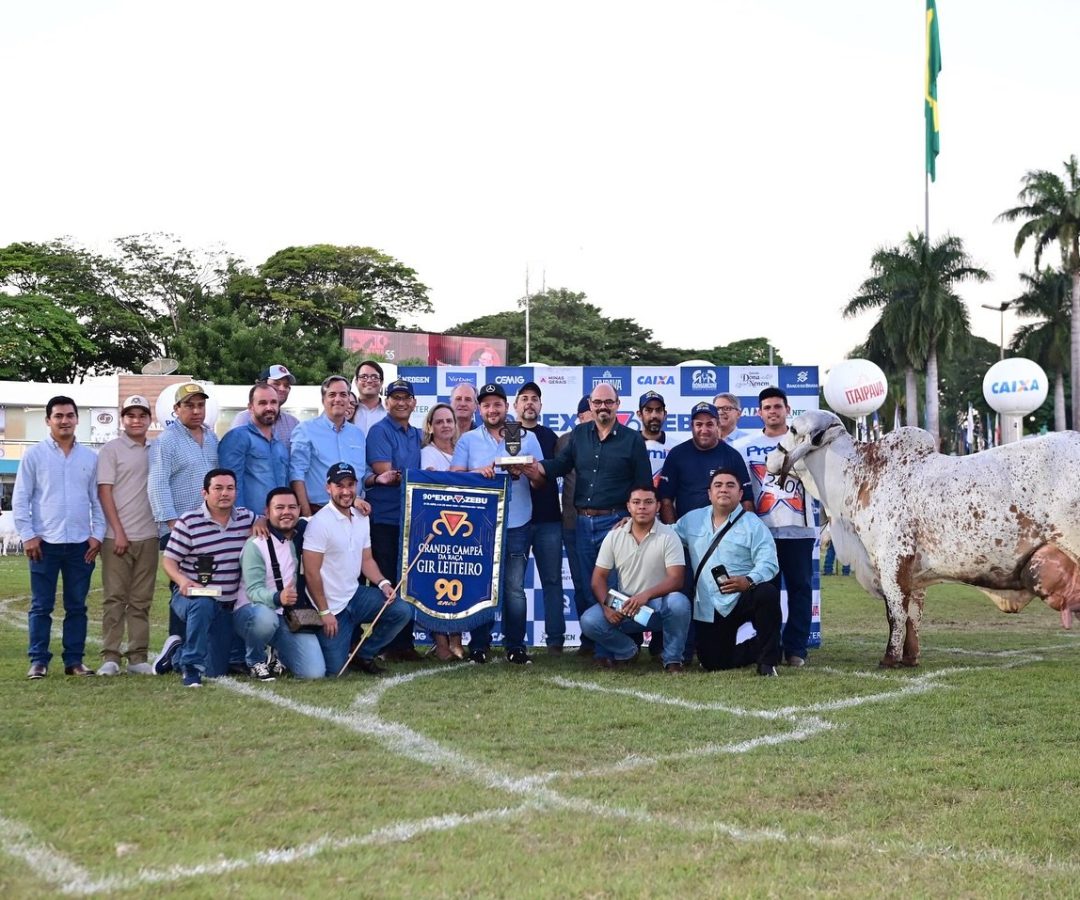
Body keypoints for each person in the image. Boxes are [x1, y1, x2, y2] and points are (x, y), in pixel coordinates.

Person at [539, 383, 652, 654]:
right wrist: (534, 466)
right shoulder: (579, 435)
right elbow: (560, 466)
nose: (603, 407)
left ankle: (618, 649)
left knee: (614, 588)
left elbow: (644, 485)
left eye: (608, 402)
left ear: (617, 404)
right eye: (598, 402)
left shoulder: (632, 439)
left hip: (616, 522)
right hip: (582, 523)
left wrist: (631, 518)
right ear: (590, 405)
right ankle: (603, 647)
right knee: (590, 587)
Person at [451, 382, 545, 665]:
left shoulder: (526, 437)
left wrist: (527, 471)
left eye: (497, 404)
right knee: (481, 586)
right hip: (479, 525)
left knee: (514, 588)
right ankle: (479, 645)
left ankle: (515, 646)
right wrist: (477, 473)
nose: (492, 409)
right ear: (479, 409)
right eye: (486, 405)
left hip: (517, 522)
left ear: (507, 407)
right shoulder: (468, 440)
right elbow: (455, 478)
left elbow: (541, 481)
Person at [14, 396, 105, 678]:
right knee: (41, 606)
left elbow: (97, 500)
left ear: (77, 419)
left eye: (69, 415)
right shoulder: (34, 455)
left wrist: (97, 535)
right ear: (48, 420)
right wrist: (28, 535)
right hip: (44, 544)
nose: (64, 421)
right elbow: (21, 498)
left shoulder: (90, 457)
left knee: (77, 606)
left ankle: (74, 661)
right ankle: (38, 661)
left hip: (81, 544)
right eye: (58, 416)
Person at [731, 387, 816, 668]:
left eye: (778, 406)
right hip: (761, 532)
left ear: (788, 410)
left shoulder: (806, 444)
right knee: (765, 592)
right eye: (767, 407)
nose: (773, 412)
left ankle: (796, 649)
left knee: (800, 588)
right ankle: (769, 647)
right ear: (759, 413)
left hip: (799, 528)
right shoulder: (744, 446)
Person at [303, 463, 412, 675]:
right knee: (335, 670)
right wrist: (324, 612)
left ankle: (364, 654)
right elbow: (311, 573)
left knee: (401, 610)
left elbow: (367, 560)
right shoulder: (319, 523)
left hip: (355, 595)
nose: (346, 491)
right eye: (339, 486)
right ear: (328, 488)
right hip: (330, 606)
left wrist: (383, 583)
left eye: (350, 485)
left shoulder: (362, 517)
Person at [672, 468, 781, 676]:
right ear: (709, 493)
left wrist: (748, 580)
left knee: (767, 592)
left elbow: (769, 563)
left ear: (740, 494)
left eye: (730, 485)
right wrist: (635, 524)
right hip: (710, 604)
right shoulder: (692, 520)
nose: (724, 489)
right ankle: (761, 646)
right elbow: (665, 535)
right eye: (718, 485)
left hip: (743, 596)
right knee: (713, 662)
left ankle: (767, 661)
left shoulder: (753, 524)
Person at [580, 485, 691, 673]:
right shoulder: (614, 535)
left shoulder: (669, 535)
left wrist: (645, 595)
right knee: (589, 620)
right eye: (636, 502)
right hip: (625, 604)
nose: (642, 507)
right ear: (628, 506)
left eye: (648, 502)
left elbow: (677, 579)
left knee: (679, 603)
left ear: (657, 506)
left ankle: (673, 660)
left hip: (657, 606)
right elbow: (598, 579)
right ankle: (628, 652)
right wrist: (607, 606)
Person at [161, 468, 255, 687]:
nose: (224, 493)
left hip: (227, 604)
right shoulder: (189, 521)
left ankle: (176, 653)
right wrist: (182, 581)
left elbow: (267, 520)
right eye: (218, 488)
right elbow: (169, 561)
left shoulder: (246, 518)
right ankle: (191, 668)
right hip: (192, 597)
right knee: (203, 604)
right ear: (205, 493)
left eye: (230, 488)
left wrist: (260, 523)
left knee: (215, 670)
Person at [148, 382, 219, 668]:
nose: (196, 410)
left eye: (200, 405)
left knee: (206, 586)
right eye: (189, 405)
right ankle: (175, 647)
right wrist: (174, 524)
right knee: (182, 588)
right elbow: (157, 484)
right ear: (176, 409)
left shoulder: (212, 438)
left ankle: (200, 649)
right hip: (179, 528)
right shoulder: (166, 441)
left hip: (209, 527)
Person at [234, 487, 326, 680]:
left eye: (292, 507)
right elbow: (253, 591)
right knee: (265, 618)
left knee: (314, 673)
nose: (286, 512)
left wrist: (355, 502)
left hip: (286, 615)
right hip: (253, 612)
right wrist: (278, 597)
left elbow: (331, 514)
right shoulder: (256, 544)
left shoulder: (303, 532)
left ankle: (277, 654)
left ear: (299, 510)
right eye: (280, 507)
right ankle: (255, 660)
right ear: (267, 512)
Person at [96, 395, 158, 676]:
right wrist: (118, 531)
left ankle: (137, 657)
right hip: (117, 537)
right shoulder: (111, 450)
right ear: (122, 419)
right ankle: (110, 657)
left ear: (149, 419)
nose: (136, 421)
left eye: (142, 415)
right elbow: (104, 492)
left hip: (149, 535)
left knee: (141, 600)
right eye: (131, 415)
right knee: (114, 599)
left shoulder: (156, 450)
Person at [364, 378, 424, 661]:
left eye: (405, 398)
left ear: (414, 402)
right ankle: (385, 645)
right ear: (386, 402)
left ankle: (404, 644)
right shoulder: (379, 431)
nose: (401, 402)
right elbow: (386, 473)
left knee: (407, 581)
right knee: (387, 581)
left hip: (410, 518)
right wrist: (425, 477)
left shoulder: (416, 433)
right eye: (395, 398)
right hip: (385, 519)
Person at [513, 381, 566, 653]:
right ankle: (514, 641)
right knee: (513, 585)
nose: (529, 403)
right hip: (516, 521)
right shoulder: (507, 434)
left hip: (548, 519)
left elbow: (557, 471)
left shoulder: (550, 437)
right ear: (516, 405)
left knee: (552, 581)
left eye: (534, 398)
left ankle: (555, 641)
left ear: (541, 405)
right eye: (524, 398)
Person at [419, 403, 465, 661]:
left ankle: (457, 640)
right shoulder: (427, 453)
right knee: (435, 585)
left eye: (449, 421)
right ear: (430, 426)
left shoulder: (462, 450)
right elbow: (433, 485)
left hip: (462, 527)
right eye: (439, 421)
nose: (445, 425)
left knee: (459, 582)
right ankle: (441, 643)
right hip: (437, 527)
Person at [658, 402, 753, 525]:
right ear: (691, 426)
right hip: (686, 531)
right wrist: (673, 530)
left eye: (709, 424)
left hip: (727, 531)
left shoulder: (733, 456)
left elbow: (746, 499)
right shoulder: (677, 454)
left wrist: (747, 530)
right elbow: (665, 499)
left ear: (717, 425)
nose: (704, 430)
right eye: (699, 424)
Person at [289, 375, 369, 518]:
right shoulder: (305, 430)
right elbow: (296, 474)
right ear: (323, 400)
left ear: (348, 400)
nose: (338, 399)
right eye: (332, 394)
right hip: (318, 511)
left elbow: (361, 473)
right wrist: (307, 515)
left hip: (353, 512)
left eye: (343, 394)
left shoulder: (358, 434)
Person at [219, 384, 290, 514]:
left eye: (273, 402)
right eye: (262, 403)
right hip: (250, 521)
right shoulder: (238, 437)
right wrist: (243, 518)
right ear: (251, 407)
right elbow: (230, 485)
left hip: (278, 520)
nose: (269, 407)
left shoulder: (279, 444)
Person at [556, 397, 593, 648]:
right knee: (580, 584)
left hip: (606, 521)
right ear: (580, 416)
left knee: (608, 583)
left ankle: (610, 639)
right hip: (572, 523)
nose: (597, 412)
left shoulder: (615, 438)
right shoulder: (564, 441)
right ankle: (588, 639)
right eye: (590, 410)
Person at [230, 364, 300, 449]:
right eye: (276, 384)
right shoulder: (244, 419)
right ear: (262, 386)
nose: (282, 389)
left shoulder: (293, 423)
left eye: (286, 385)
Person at [637, 391, 669, 486]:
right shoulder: (627, 445)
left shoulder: (676, 447)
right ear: (639, 414)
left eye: (658, 410)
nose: (654, 415)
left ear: (665, 414)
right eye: (648, 410)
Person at [352, 359, 388, 435]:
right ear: (356, 382)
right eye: (364, 377)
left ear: (381, 382)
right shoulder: (347, 410)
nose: (369, 381)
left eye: (374, 377)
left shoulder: (390, 413)